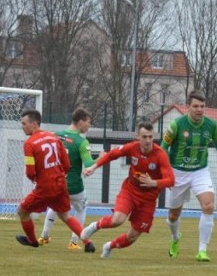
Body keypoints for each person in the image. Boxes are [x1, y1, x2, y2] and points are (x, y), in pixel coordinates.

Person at [160, 89, 217, 262]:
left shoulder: (211, 125)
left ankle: (202, 250)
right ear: (187, 107)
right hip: (178, 172)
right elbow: (163, 149)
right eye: (195, 106)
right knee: (173, 216)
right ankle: (175, 239)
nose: (199, 110)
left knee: (208, 206)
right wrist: (166, 172)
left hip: (200, 171)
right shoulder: (176, 125)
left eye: (202, 106)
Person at [80, 122, 174, 258]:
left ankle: (109, 246)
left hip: (148, 200)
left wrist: (154, 183)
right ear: (138, 137)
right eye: (144, 137)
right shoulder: (132, 148)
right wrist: (93, 167)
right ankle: (95, 226)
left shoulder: (160, 155)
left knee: (132, 237)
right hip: (130, 190)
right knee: (117, 220)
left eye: (150, 137)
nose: (148, 140)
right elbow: (112, 154)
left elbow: (171, 180)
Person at [15, 109, 95, 253]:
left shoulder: (29, 143)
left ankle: (32, 241)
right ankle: (88, 242)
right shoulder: (53, 137)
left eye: (24, 123)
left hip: (45, 186)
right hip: (60, 183)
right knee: (65, 215)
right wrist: (58, 175)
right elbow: (66, 164)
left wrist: (37, 179)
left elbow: (30, 171)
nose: (22, 126)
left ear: (34, 124)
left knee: (22, 211)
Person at [39, 108, 95, 250]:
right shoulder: (81, 142)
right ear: (81, 121)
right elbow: (89, 164)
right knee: (81, 208)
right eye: (88, 122)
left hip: (55, 183)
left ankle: (44, 236)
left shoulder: (55, 136)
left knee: (55, 206)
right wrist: (103, 156)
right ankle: (74, 242)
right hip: (74, 185)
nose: (89, 126)